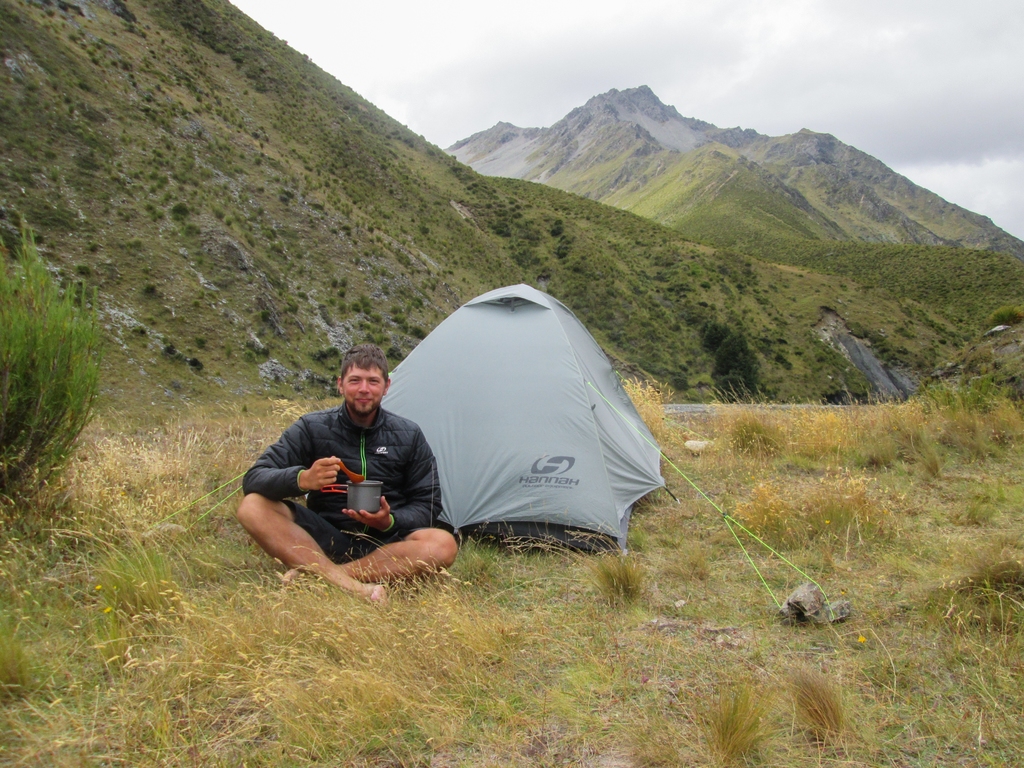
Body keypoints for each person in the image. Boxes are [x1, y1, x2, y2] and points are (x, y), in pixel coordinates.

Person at [236, 343, 458, 601]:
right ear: (340, 384)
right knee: (252, 506)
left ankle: (325, 575)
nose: (364, 389)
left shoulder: (409, 435)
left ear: (387, 386)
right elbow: (254, 478)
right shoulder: (312, 427)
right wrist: (302, 479)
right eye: (355, 381)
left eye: (373, 381)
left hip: (388, 543)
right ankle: (355, 586)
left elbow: (429, 504)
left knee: (443, 544)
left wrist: (389, 521)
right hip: (326, 536)